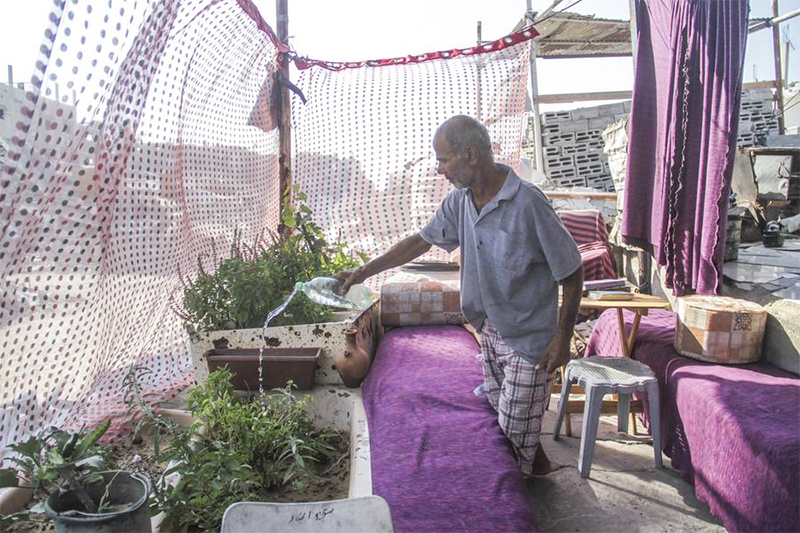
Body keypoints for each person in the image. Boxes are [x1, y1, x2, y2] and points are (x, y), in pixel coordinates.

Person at [336, 115, 584, 476]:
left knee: (509, 443)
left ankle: (514, 496)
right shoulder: (460, 202)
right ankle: (543, 473)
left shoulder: (528, 203)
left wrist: (563, 335)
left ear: (470, 154)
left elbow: (572, 271)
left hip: (530, 341)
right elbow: (420, 241)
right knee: (504, 421)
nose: (440, 170)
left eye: (443, 160)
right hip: (490, 330)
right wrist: (362, 272)